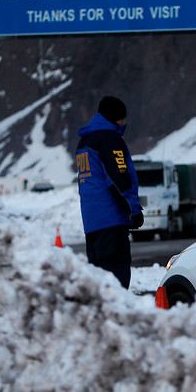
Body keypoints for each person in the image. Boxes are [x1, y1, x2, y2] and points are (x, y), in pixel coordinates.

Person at [75, 96, 143, 288]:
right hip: (111, 221)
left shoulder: (84, 142)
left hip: (92, 223)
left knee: (99, 284)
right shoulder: (109, 138)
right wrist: (133, 210)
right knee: (116, 281)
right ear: (116, 118)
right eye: (123, 118)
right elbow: (118, 178)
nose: (124, 122)